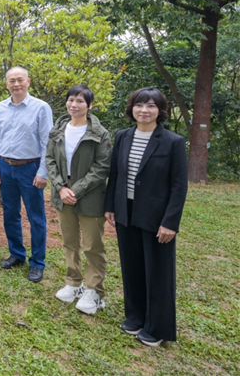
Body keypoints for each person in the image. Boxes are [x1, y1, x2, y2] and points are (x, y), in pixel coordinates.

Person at [105, 87, 188, 347]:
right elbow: (115, 174)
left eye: (151, 106)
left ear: (160, 111)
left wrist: (170, 222)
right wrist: (110, 206)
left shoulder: (173, 142)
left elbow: (178, 186)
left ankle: (157, 327)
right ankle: (136, 316)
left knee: (158, 272)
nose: (144, 110)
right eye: (139, 105)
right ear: (131, 109)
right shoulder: (122, 136)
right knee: (132, 266)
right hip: (126, 212)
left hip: (156, 216)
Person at [46, 85, 112, 314]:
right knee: (70, 241)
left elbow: (103, 166)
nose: (74, 105)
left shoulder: (100, 133)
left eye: (80, 101)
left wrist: (77, 189)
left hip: (91, 194)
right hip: (62, 192)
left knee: (92, 244)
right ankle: (73, 282)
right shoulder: (58, 129)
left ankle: (95, 291)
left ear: (89, 105)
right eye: (71, 100)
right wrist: (61, 187)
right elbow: (50, 159)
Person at [0, 66, 53, 283]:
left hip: (31, 168)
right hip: (5, 166)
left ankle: (37, 263)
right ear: (6, 84)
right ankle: (16, 253)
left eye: (20, 80)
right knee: (10, 213)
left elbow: (47, 143)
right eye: (12, 81)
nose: (16, 84)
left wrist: (43, 172)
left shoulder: (41, 108)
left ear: (28, 82)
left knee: (36, 217)